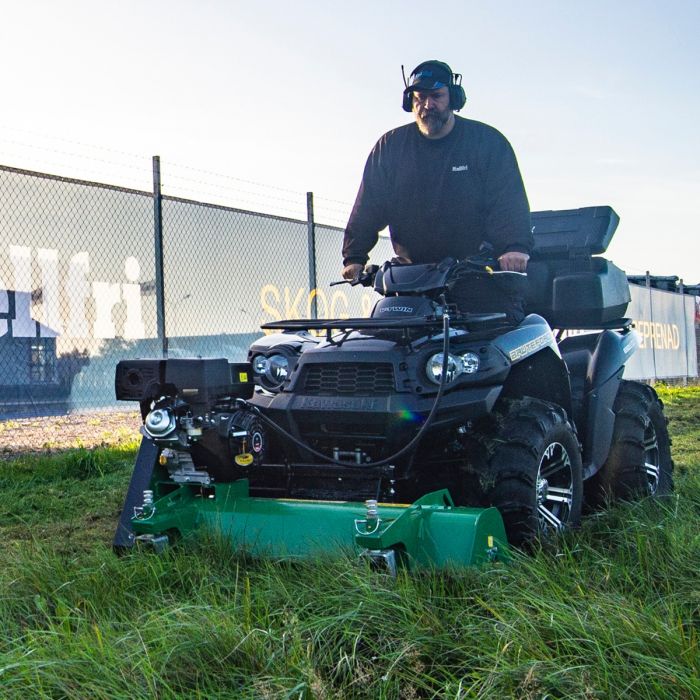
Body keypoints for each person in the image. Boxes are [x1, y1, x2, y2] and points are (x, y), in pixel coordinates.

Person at [342, 59, 533, 321]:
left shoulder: (486, 142)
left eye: (436, 96)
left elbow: (507, 202)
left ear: (453, 98)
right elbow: (368, 205)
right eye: (420, 98)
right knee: (381, 342)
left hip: (477, 275)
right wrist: (354, 256)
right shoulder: (390, 147)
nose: (428, 105)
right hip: (411, 280)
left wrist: (514, 247)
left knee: (503, 338)